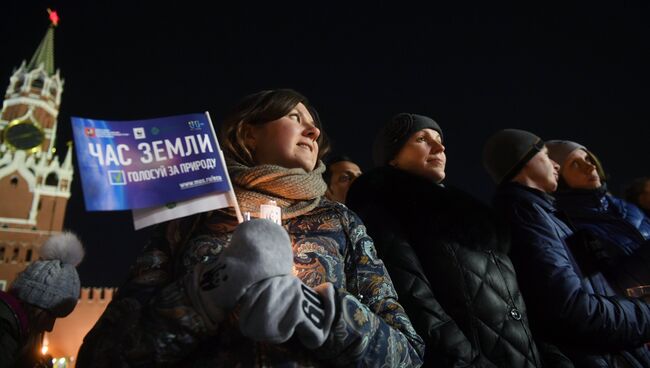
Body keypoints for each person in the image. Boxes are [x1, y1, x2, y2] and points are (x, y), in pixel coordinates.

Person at [76, 89, 424, 367]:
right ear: (249, 133)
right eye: (293, 116)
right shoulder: (192, 219)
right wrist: (208, 292)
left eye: (314, 124)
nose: (313, 129)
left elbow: (407, 354)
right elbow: (103, 354)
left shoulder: (341, 222)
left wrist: (316, 313)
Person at [346, 113, 557, 368]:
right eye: (422, 139)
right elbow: (415, 300)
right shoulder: (387, 207)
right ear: (393, 158)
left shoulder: (471, 216)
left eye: (439, 140)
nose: (439, 147)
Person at [484, 128, 650, 367]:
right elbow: (571, 309)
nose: (556, 165)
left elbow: (595, 290)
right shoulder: (526, 215)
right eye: (545, 155)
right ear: (526, 160)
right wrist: (645, 315)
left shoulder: (544, 214)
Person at [545, 140, 650, 294]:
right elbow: (613, 287)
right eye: (575, 164)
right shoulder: (570, 226)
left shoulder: (627, 207)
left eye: (588, 159)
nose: (590, 167)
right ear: (558, 178)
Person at [0, 232, 84, 368]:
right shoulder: (5, 328)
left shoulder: (17, 328)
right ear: (35, 303)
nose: (50, 327)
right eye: (51, 315)